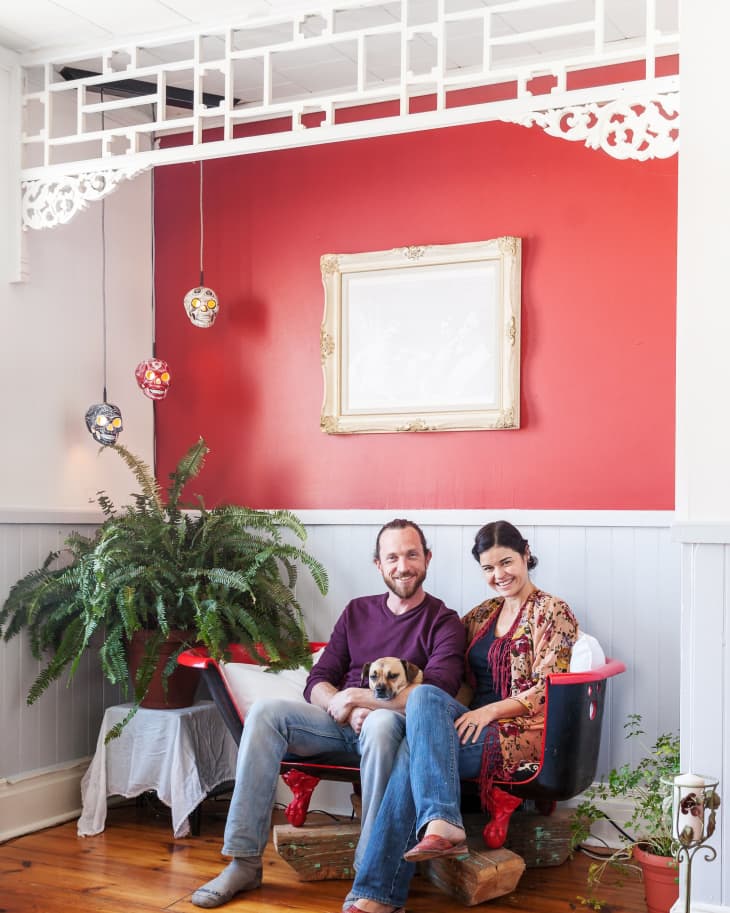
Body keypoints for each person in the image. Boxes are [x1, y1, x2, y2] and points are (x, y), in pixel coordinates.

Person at [192, 518, 465, 908]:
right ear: (378, 565)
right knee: (267, 713)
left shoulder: (443, 621)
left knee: (383, 722)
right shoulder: (356, 612)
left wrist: (361, 700)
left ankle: (369, 872)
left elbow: (436, 693)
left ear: (427, 559)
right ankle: (244, 861)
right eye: (392, 557)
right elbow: (318, 678)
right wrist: (339, 703)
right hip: (338, 724)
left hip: (393, 730)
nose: (402, 565)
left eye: (411, 555)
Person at [342, 520, 579, 913]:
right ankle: (440, 825)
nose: (499, 575)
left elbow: (548, 687)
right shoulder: (480, 615)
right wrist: (443, 713)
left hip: (518, 730)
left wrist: (488, 712)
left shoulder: (552, 611)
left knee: (408, 755)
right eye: (488, 568)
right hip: (467, 723)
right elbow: (456, 680)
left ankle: (377, 893)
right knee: (424, 698)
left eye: (506, 563)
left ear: (525, 555)